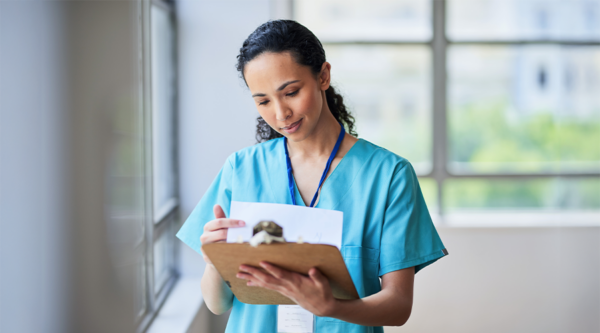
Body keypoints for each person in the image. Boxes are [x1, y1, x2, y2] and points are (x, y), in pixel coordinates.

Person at [176, 20, 447, 333]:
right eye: (263, 101)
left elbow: (398, 306)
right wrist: (215, 259)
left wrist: (332, 307)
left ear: (323, 76)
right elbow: (218, 304)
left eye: (291, 92)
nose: (280, 113)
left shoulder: (388, 176)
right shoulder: (241, 169)